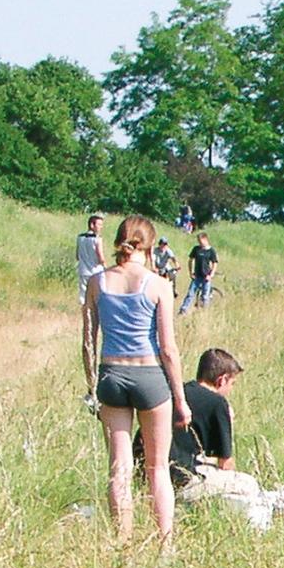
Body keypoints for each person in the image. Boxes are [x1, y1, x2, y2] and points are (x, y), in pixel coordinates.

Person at [82, 213, 187, 547]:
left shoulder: (97, 282)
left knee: (119, 468)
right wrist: (181, 399)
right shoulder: (159, 285)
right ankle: (165, 545)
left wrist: (91, 387)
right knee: (157, 468)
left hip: (111, 374)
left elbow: (88, 341)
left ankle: (123, 542)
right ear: (150, 246)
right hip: (149, 376)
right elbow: (168, 349)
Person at [136, 347, 284, 529]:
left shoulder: (177, 394)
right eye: (232, 383)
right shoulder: (217, 404)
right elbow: (225, 464)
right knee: (249, 484)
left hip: (145, 477)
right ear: (222, 380)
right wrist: (228, 422)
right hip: (181, 482)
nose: (231, 389)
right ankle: (279, 504)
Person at [179, 231, 218, 314]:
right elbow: (190, 260)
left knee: (205, 296)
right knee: (190, 294)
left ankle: (204, 312)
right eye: (198, 241)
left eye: (200, 241)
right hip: (197, 276)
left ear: (205, 239)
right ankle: (183, 310)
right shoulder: (196, 249)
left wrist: (211, 275)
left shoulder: (211, 251)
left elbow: (214, 263)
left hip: (206, 277)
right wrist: (190, 272)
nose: (199, 242)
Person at [75, 212, 106, 306]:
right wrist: (105, 266)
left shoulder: (80, 238)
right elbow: (100, 256)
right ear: (92, 225)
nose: (101, 227)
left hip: (83, 271)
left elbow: (77, 256)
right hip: (96, 271)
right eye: (99, 224)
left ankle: (85, 314)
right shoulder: (97, 239)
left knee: (83, 297)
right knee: (97, 296)